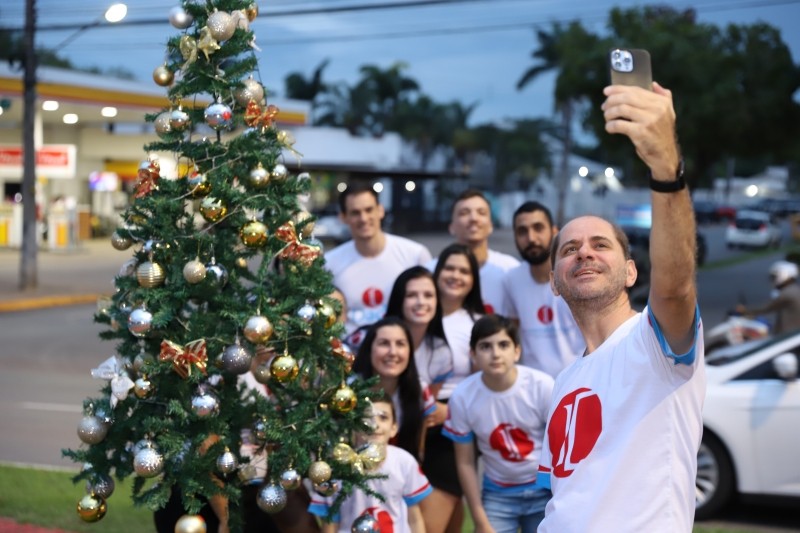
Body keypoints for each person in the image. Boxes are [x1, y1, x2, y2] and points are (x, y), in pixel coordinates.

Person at [536, 82, 706, 532]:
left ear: (631, 272)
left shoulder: (654, 342)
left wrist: (665, 167)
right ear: (554, 281)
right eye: (568, 249)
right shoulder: (564, 381)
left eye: (600, 245)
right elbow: (563, 494)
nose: (583, 253)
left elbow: (674, 287)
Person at [443, 314, 554, 533]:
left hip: (545, 490)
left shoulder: (542, 386)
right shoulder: (463, 397)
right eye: (485, 346)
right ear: (473, 354)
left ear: (517, 351)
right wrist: (480, 519)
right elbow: (465, 462)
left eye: (503, 345)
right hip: (497, 494)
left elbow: (561, 447)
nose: (495, 354)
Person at [384, 267, 463, 533]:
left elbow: (427, 412)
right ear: (399, 300)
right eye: (412, 295)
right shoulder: (377, 337)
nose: (421, 302)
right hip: (379, 432)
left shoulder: (440, 351)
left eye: (428, 295)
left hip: (422, 434)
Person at [309, 398, 432, 533]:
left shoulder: (404, 462)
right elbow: (330, 523)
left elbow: (415, 519)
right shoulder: (337, 467)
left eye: (383, 417)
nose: (374, 424)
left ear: (394, 428)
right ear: (353, 427)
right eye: (367, 417)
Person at [324, 184, 432, 337]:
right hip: (350, 355)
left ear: (380, 210)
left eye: (369, 210)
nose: (363, 218)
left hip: (400, 351)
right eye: (355, 213)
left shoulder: (415, 255)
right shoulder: (329, 263)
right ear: (343, 217)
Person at [501, 201, 584, 377]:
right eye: (522, 231)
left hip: (579, 381)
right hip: (533, 387)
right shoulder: (512, 279)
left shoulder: (577, 275)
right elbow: (511, 332)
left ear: (554, 232)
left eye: (538, 228)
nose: (531, 238)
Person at [352, 316, 435, 460]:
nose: (393, 352)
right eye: (384, 343)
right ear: (369, 349)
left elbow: (418, 450)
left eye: (400, 344)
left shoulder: (420, 390)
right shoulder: (349, 389)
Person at [431, 189, 518, 314]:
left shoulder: (509, 269)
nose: (473, 218)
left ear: (491, 225)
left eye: (481, 213)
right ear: (451, 226)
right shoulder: (432, 270)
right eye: (464, 213)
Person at [736, 260, 800, 334]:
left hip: (788, 336)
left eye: (774, 277)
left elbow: (766, 307)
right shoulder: (794, 290)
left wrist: (745, 310)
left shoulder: (788, 293)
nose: (773, 280)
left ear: (784, 275)